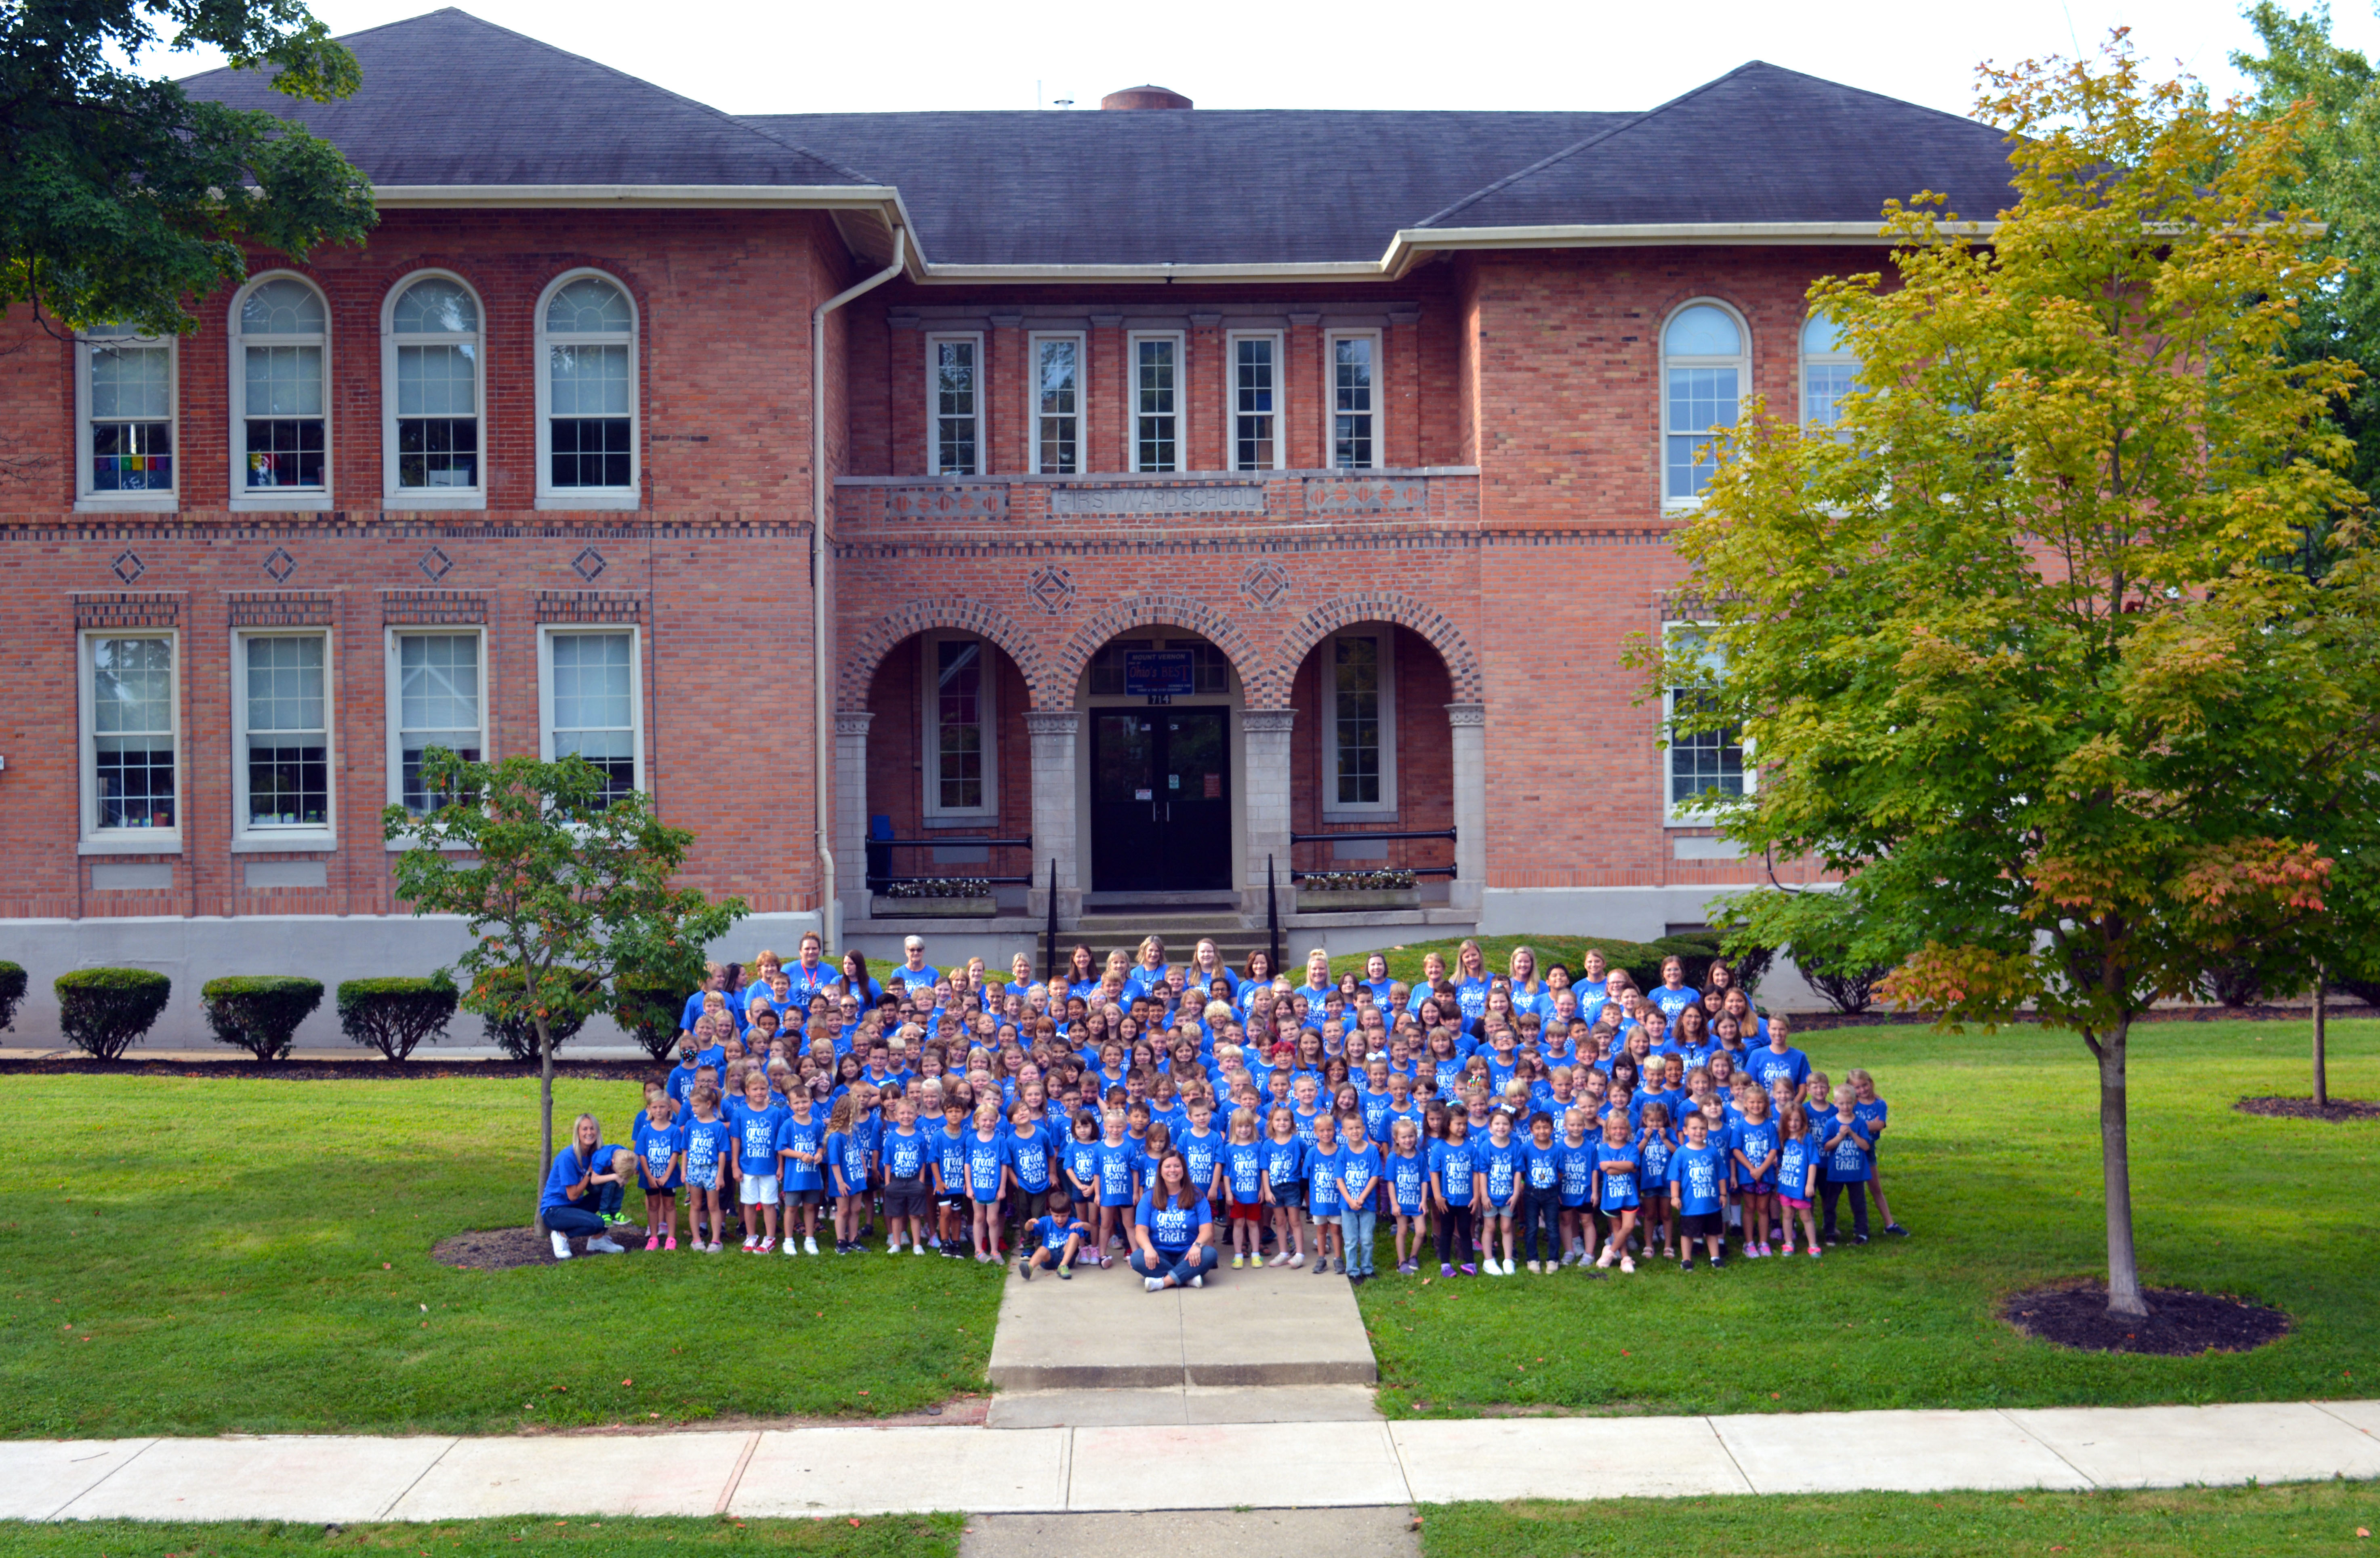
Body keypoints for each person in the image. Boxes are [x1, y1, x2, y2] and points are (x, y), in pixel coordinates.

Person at [540, 1112, 627, 1259]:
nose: (589, 1133)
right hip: (554, 1210)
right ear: (578, 1133)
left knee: (611, 1189)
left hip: (574, 1206)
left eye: (592, 1129)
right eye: (585, 1129)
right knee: (598, 1223)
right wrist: (589, 1173)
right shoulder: (568, 1157)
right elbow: (573, 1196)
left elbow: (601, 1183)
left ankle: (597, 1241)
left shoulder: (595, 1154)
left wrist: (620, 1174)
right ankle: (560, 1235)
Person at [1132, 1149, 1220, 1290]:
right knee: (1137, 1258)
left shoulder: (1197, 1196)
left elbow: (1207, 1229)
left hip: (1188, 1253)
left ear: (1184, 1170)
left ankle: (1163, 1282)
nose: (1173, 1170)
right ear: (1160, 1171)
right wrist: (1148, 1249)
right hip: (1159, 1254)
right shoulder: (1149, 1197)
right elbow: (1140, 1231)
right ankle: (1187, 1277)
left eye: (1177, 1166)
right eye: (1168, 1167)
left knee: (1210, 1254)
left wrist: (1197, 1246)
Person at [727, 1069, 788, 1255]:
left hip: (769, 1167)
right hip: (747, 1166)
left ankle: (770, 1238)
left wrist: (781, 1166)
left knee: (770, 1203)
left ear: (768, 1090)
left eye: (763, 1089)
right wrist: (735, 1165)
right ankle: (751, 1236)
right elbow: (736, 1140)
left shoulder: (776, 1114)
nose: (759, 1093)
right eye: (755, 1089)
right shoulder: (740, 1114)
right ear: (747, 1091)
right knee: (749, 1202)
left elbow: (780, 1142)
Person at [1847, 1068, 1911, 1237]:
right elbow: (1845, 1120)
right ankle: (1854, 1227)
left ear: (1871, 1083)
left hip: (1869, 1150)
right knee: (1854, 1191)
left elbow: (1880, 1125)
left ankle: (1889, 1224)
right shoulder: (1851, 1103)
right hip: (1849, 1151)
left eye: (1865, 1085)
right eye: (1857, 1088)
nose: (1862, 1090)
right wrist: (1867, 1124)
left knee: (1876, 1187)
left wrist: (1857, 1125)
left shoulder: (1880, 1104)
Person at [1669, 1110, 1729, 1271]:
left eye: (1703, 1128)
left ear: (1707, 1131)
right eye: (1694, 1128)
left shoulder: (1713, 1151)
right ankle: (1686, 1259)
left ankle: (1715, 1257)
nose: (1699, 1132)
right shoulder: (1681, 1153)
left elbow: (1721, 1175)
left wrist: (1723, 1194)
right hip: (1690, 1204)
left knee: (1712, 1232)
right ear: (1686, 1130)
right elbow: (1675, 1178)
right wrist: (1675, 1197)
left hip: (1711, 1203)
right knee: (1688, 1233)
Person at [1819, 1083, 1874, 1244]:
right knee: (1830, 1204)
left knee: (1859, 1204)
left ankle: (1862, 1233)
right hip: (1836, 1172)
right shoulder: (1831, 1123)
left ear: (1855, 1102)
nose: (1845, 1107)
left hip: (1856, 1172)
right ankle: (1830, 1232)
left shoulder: (1860, 1123)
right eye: (1841, 1103)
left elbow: (1866, 1146)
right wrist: (1840, 1136)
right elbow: (1827, 1146)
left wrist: (1852, 1133)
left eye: (1849, 1103)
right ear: (1835, 1103)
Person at [681, 1086, 731, 1253]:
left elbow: (723, 1152)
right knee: (695, 1205)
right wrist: (684, 1171)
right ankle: (697, 1240)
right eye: (692, 1106)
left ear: (709, 1104)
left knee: (713, 1206)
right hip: (694, 1169)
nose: (693, 1109)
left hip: (712, 1170)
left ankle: (716, 1241)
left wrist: (720, 1176)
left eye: (696, 1106)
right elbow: (686, 1150)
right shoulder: (690, 1125)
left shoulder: (718, 1127)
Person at [632, 1092, 683, 1252]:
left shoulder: (674, 1130)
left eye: (662, 1107)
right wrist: (649, 1176)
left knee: (669, 1205)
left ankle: (671, 1238)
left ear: (669, 1108)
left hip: (669, 1177)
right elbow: (641, 1154)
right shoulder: (646, 1131)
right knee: (653, 1206)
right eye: (655, 1107)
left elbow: (675, 1153)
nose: (659, 1110)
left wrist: (667, 1176)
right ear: (649, 1109)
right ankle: (653, 1237)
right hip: (651, 1177)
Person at [1591, 1111, 1642, 1272]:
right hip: (1611, 1196)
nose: (1618, 1132)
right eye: (1615, 1128)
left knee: (1628, 1227)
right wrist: (1624, 1167)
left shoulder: (1632, 1147)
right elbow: (1606, 1170)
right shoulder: (1603, 1148)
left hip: (1629, 1195)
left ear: (1628, 1130)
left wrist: (1613, 1166)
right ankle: (1625, 1258)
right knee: (1617, 1228)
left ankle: (1610, 1252)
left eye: (1622, 1128)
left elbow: (1632, 1166)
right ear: (1608, 1131)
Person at [1732, 1089, 1780, 1257]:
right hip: (1747, 1175)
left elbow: (1774, 1149)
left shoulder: (1769, 1124)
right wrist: (1752, 1169)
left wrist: (1762, 1169)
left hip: (1765, 1174)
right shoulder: (1740, 1125)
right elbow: (1736, 1150)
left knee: (1763, 1208)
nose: (1756, 1106)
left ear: (1766, 1104)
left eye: (1760, 1102)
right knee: (1750, 1208)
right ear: (1745, 1103)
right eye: (1752, 1102)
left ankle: (1764, 1242)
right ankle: (1749, 1243)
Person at [1429, 1112, 1478, 1276]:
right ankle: (1445, 1265)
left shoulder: (1470, 1147)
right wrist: (1438, 1197)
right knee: (1447, 1230)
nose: (1462, 1127)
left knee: (1465, 1230)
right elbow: (1434, 1173)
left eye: (1464, 1124)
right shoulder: (1439, 1147)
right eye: (1458, 1124)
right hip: (1447, 1200)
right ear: (1448, 1124)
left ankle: (1470, 1263)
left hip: (1467, 1199)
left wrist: (1476, 1196)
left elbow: (1476, 1173)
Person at [1261, 1103, 1308, 1268]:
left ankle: (1300, 1254)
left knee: (1295, 1221)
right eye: (1278, 1120)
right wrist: (1267, 1191)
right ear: (1272, 1123)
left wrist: (1304, 1174)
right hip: (1274, 1188)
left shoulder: (1297, 1141)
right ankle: (1283, 1253)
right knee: (1280, 1221)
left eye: (1286, 1120)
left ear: (1292, 1123)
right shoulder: (1268, 1145)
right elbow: (1265, 1169)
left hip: (1292, 1187)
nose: (1282, 1123)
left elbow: (1308, 1157)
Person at [1515, 1110, 1562, 1274]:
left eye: (1546, 1128)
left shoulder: (1557, 1148)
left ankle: (1553, 1259)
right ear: (1531, 1130)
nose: (1542, 1131)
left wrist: (1553, 1183)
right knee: (1532, 1227)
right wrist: (1522, 1183)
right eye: (1538, 1128)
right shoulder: (1526, 1148)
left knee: (1552, 1227)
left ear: (1552, 1129)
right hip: (1531, 1193)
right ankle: (1532, 1258)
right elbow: (1521, 1169)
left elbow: (1560, 1171)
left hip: (1551, 1193)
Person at [1222, 1106, 1267, 1268]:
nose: (1244, 1130)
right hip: (1236, 1194)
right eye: (1240, 1126)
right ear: (1233, 1128)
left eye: (1247, 1126)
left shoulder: (1258, 1146)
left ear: (1252, 1127)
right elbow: (1226, 1172)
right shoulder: (1229, 1148)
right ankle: (1238, 1254)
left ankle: (1255, 1253)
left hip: (1254, 1193)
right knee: (1239, 1224)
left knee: (1253, 1224)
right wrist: (1228, 1192)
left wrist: (1262, 1189)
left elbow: (1263, 1170)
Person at [1775, 1102, 1822, 1258]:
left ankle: (1813, 1245)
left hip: (1801, 1187)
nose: (1793, 1124)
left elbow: (1813, 1163)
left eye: (1796, 1120)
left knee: (1806, 1216)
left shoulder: (1806, 1139)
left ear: (1803, 1121)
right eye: (1789, 1120)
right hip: (1786, 1186)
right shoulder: (1783, 1139)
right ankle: (1788, 1243)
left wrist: (1810, 1184)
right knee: (1787, 1214)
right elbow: (1779, 1163)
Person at [1021, 1185, 1091, 1280]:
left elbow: (1089, 1228)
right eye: (1056, 1216)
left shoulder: (1073, 1222)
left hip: (1066, 1258)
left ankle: (1062, 1267)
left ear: (1069, 1212)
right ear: (1051, 1211)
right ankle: (1029, 1268)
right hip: (1048, 1258)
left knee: (1074, 1236)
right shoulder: (1046, 1221)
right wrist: (1029, 1224)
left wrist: (1083, 1224)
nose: (1060, 1219)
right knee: (1042, 1249)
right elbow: (1028, 1229)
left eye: (1064, 1216)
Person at [1387, 1118, 1429, 1275]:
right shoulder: (1393, 1157)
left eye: (1411, 1136)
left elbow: (1425, 1180)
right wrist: (1394, 1204)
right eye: (1403, 1137)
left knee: (1421, 1231)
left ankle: (1413, 1257)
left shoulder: (1420, 1156)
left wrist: (1424, 1202)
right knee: (1402, 1231)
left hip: (1416, 1203)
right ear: (1396, 1139)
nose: (1408, 1140)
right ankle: (1402, 1261)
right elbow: (1390, 1182)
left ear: (1416, 1137)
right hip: (1401, 1203)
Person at [1305, 1112, 1344, 1276]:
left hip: (1336, 1201)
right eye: (1322, 1131)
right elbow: (1306, 1176)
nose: (1326, 1134)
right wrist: (1310, 1203)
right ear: (1315, 1132)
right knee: (1321, 1231)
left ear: (1335, 1130)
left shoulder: (1341, 1152)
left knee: (1336, 1230)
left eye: (1329, 1130)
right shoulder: (1312, 1153)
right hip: (1319, 1201)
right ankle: (1321, 1259)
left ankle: (1338, 1259)